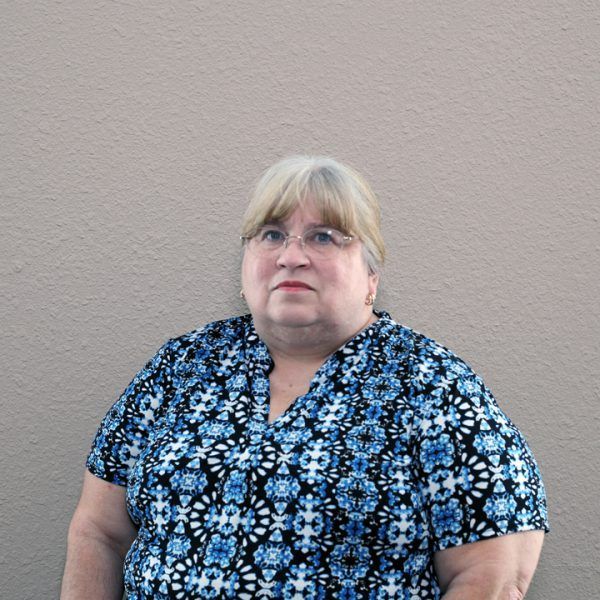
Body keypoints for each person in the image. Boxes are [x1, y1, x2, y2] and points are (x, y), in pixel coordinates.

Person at [61, 155, 548, 599]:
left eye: (324, 237)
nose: (291, 256)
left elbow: (495, 573)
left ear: (371, 277)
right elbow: (98, 531)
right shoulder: (182, 365)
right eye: (271, 234)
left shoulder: (433, 386)